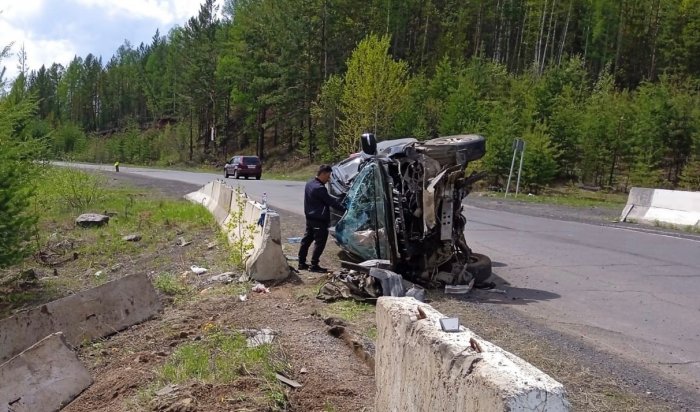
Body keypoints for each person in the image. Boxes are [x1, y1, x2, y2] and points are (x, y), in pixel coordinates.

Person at [298, 165, 346, 272]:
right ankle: (314, 265)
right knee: (320, 242)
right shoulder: (319, 188)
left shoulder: (310, 183)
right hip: (319, 220)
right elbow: (331, 202)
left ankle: (301, 263)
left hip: (310, 218)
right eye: (328, 176)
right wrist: (345, 209)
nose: (328, 179)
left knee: (306, 240)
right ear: (323, 173)